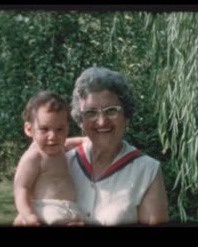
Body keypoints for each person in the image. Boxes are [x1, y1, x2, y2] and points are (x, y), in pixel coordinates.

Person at [65, 67, 169, 226]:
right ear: (80, 121)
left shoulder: (147, 171)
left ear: (126, 116)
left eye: (111, 111)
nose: (101, 121)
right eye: (91, 112)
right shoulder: (64, 163)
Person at [13, 90, 83, 226]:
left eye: (59, 129)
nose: (53, 136)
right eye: (44, 129)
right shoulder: (34, 156)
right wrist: (27, 215)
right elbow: (21, 187)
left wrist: (87, 140)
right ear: (29, 129)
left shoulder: (59, 147)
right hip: (44, 211)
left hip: (67, 211)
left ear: (67, 128)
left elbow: (72, 142)